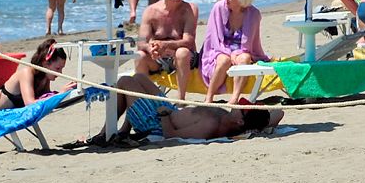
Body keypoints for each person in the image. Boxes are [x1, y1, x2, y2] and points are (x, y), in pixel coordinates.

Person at [98, 73, 279, 142]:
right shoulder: (235, 120)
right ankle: (123, 129)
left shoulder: (211, 125)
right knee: (140, 77)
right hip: (171, 112)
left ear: (240, 120)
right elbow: (280, 113)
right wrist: (263, 124)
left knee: (125, 82)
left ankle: (105, 133)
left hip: (158, 122)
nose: (239, 104)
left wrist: (164, 115)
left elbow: (171, 135)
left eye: (242, 108)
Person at [200, 0, 268, 104]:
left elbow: (248, 44)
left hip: (241, 50)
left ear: (241, 0)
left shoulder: (253, 14)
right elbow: (213, 39)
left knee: (245, 59)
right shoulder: (219, 8)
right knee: (223, 60)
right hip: (218, 48)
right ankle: (209, 96)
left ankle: (234, 98)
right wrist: (228, 53)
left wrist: (235, 54)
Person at [136, 0, 199, 102]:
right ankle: (145, 100)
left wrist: (165, 45)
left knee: (182, 52)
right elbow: (141, 42)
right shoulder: (151, 11)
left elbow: (189, 41)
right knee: (139, 55)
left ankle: (181, 100)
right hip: (159, 59)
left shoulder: (189, 9)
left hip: (184, 58)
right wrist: (151, 48)